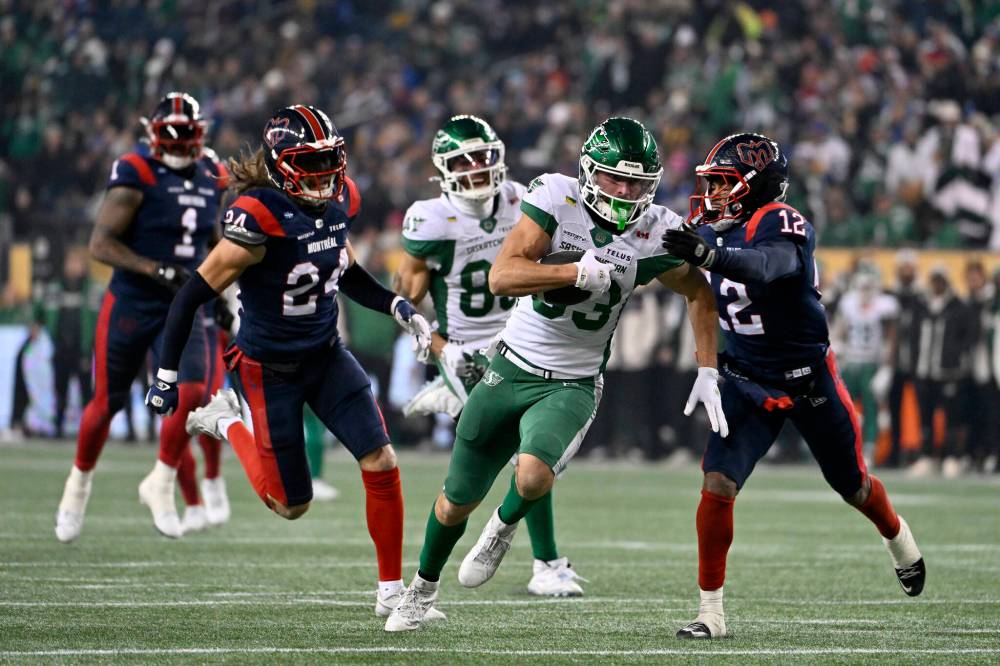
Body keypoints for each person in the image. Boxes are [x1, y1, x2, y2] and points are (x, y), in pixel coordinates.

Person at [386, 117, 727, 632]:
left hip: (574, 379)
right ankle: (421, 589)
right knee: (455, 501)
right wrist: (572, 272)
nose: (625, 190)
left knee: (534, 472)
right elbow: (503, 275)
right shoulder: (555, 197)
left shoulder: (657, 231)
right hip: (510, 364)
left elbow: (700, 292)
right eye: (614, 178)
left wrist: (707, 369)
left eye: (637, 182)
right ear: (590, 172)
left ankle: (503, 528)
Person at [143, 104, 438, 619]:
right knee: (290, 504)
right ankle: (226, 420)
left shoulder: (339, 200)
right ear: (282, 164)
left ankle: (393, 594)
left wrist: (396, 305)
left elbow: (338, 266)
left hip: (325, 354)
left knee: (382, 461)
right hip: (267, 368)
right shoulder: (258, 215)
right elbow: (190, 296)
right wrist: (167, 375)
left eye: (330, 161)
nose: (325, 177)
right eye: (311, 163)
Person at [661, 132, 926, 640]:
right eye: (710, 184)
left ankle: (898, 537)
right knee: (718, 482)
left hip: (809, 379)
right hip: (745, 377)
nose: (712, 194)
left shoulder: (780, 220)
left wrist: (710, 256)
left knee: (853, 485)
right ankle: (710, 614)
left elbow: (768, 266)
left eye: (722, 183)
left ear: (756, 185)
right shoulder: (711, 228)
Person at [396, 114, 585, 597]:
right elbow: (407, 301)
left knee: (532, 451)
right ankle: (537, 562)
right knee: (488, 468)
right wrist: (442, 352)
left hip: (523, 337)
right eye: (465, 160)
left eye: (484, 156)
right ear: (442, 168)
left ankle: (545, 561)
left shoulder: (525, 199)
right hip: (465, 348)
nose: (478, 168)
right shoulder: (429, 218)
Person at [55, 92, 227, 542]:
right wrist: (154, 267)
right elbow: (100, 243)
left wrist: (225, 289)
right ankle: (78, 486)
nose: (177, 144)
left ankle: (162, 482)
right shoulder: (136, 170)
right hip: (132, 303)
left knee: (191, 393)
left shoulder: (211, 174)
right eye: (170, 135)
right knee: (106, 403)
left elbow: (214, 242)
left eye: (185, 135)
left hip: (184, 303)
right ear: (152, 137)